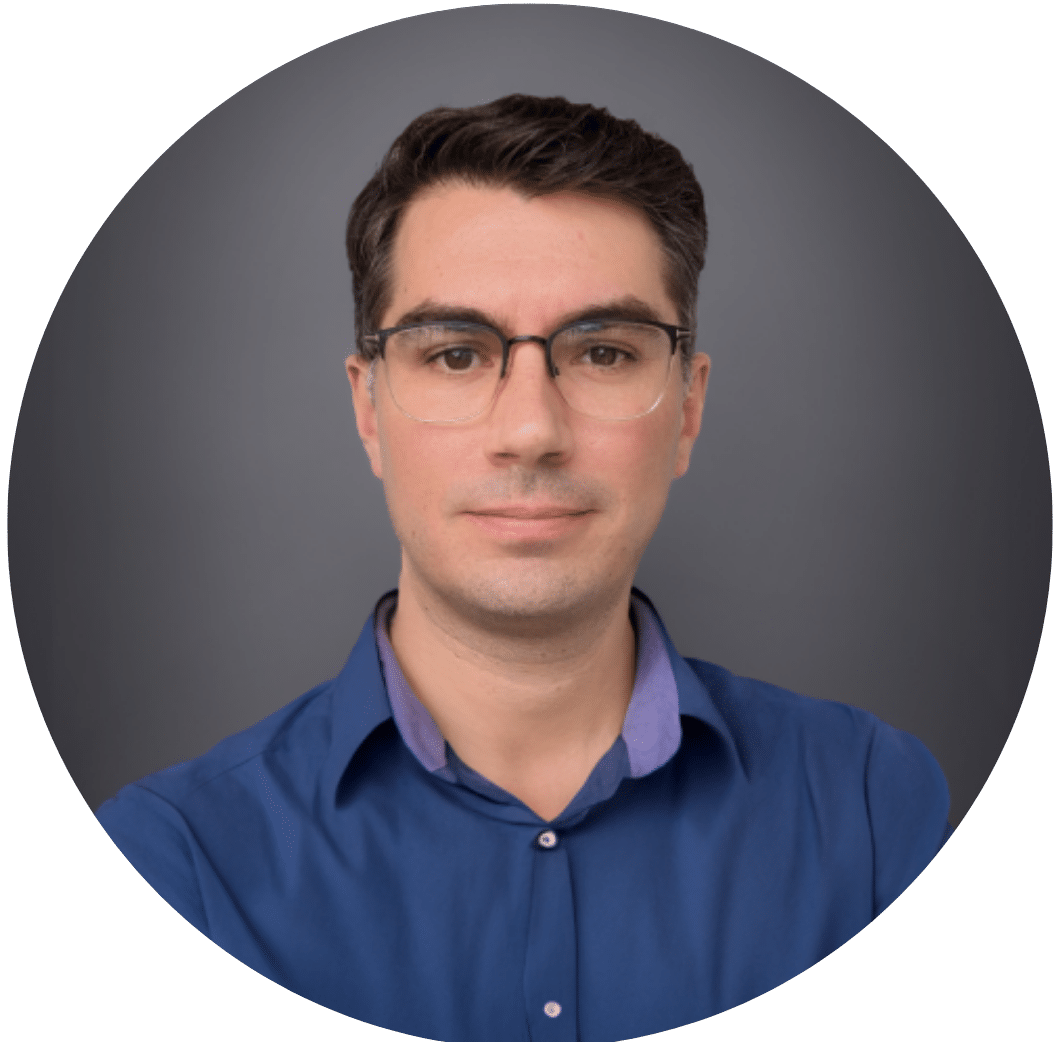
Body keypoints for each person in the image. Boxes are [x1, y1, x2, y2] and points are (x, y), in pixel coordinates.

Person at [96, 94, 952, 1039]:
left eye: (605, 352)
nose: (532, 431)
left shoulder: (873, 810)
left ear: (688, 410)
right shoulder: (176, 864)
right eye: (458, 354)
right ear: (369, 409)